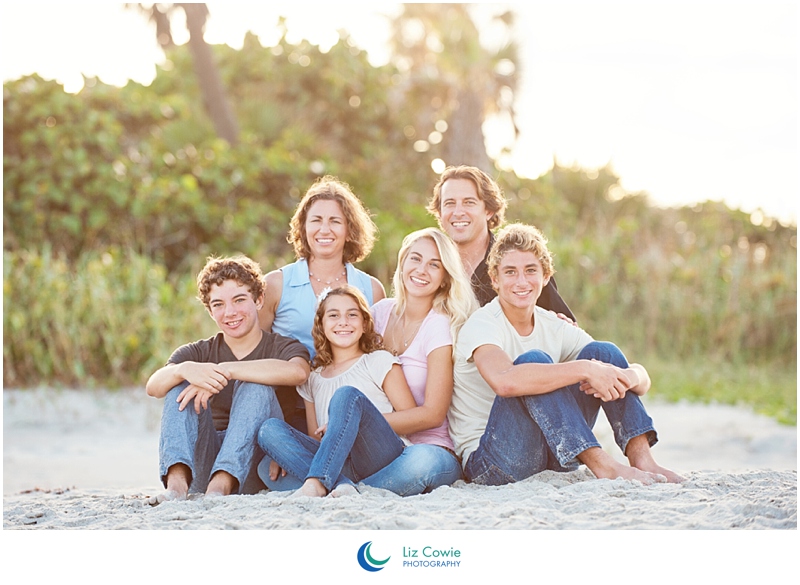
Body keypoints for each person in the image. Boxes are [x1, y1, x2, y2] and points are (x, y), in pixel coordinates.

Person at [448, 223, 684, 487]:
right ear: (495, 279)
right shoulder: (483, 324)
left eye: (530, 271)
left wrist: (627, 376)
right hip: (493, 461)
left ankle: (643, 460)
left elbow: (642, 378)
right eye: (510, 272)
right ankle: (601, 463)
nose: (521, 281)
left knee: (603, 352)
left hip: (551, 453)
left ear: (546, 276)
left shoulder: (553, 324)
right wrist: (584, 369)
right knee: (535, 363)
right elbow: (505, 381)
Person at [145, 256, 310, 504]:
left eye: (239, 300)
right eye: (219, 304)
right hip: (205, 462)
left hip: (254, 465)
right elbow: (153, 387)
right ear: (210, 311)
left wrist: (228, 370)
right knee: (178, 382)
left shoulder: (281, 346)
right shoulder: (199, 352)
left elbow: (298, 372)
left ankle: (221, 485)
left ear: (259, 300)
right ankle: (176, 487)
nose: (230, 312)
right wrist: (185, 370)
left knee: (256, 386)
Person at [257, 286, 417, 497]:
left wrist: (349, 421)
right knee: (269, 430)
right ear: (321, 325)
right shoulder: (313, 378)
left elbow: (412, 417)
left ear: (364, 323)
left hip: (378, 454)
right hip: (336, 462)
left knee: (346, 396)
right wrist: (287, 452)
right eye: (333, 315)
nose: (343, 322)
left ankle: (318, 483)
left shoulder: (379, 361)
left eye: (352, 315)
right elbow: (316, 440)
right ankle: (342, 484)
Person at [357, 227, 478, 495]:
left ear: (445, 279)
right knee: (268, 466)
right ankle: (340, 482)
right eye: (415, 258)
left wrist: (362, 420)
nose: (421, 270)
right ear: (402, 263)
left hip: (431, 449)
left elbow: (433, 414)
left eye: (434, 265)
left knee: (420, 463)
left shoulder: (439, 326)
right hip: (381, 446)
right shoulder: (378, 313)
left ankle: (350, 490)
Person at [259, 176, 385, 428]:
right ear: (303, 228)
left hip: (351, 406)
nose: (324, 230)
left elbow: (375, 354)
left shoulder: (371, 289)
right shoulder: (275, 284)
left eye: (335, 221)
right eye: (316, 220)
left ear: (349, 230)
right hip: (288, 406)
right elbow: (255, 350)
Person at [427, 165, 575, 320]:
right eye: (449, 203)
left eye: (469, 202)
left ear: (489, 210)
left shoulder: (521, 259)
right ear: (440, 212)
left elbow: (566, 330)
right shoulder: (430, 263)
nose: (457, 212)